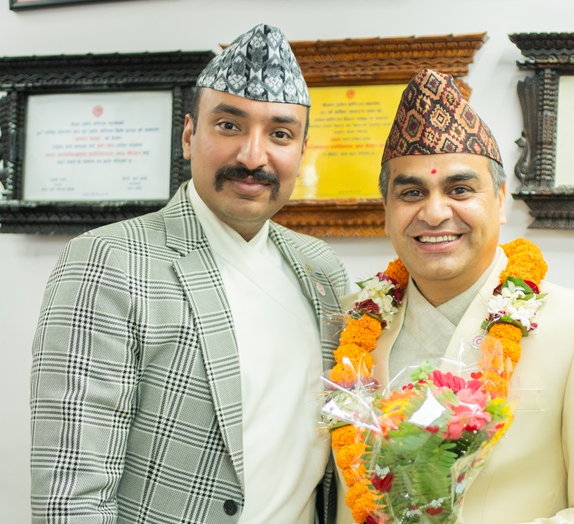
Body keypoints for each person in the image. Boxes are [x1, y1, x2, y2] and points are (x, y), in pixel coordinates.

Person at [30, 23, 349, 524]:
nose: (253, 156)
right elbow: (72, 493)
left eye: (280, 134)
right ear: (188, 135)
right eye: (229, 126)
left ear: (301, 153)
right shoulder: (110, 261)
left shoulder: (321, 268)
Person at [335, 68, 574, 523]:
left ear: (500, 199)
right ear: (387, 209)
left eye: (459, 189)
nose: (434, 213)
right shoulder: (351, 327)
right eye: (411, 192)